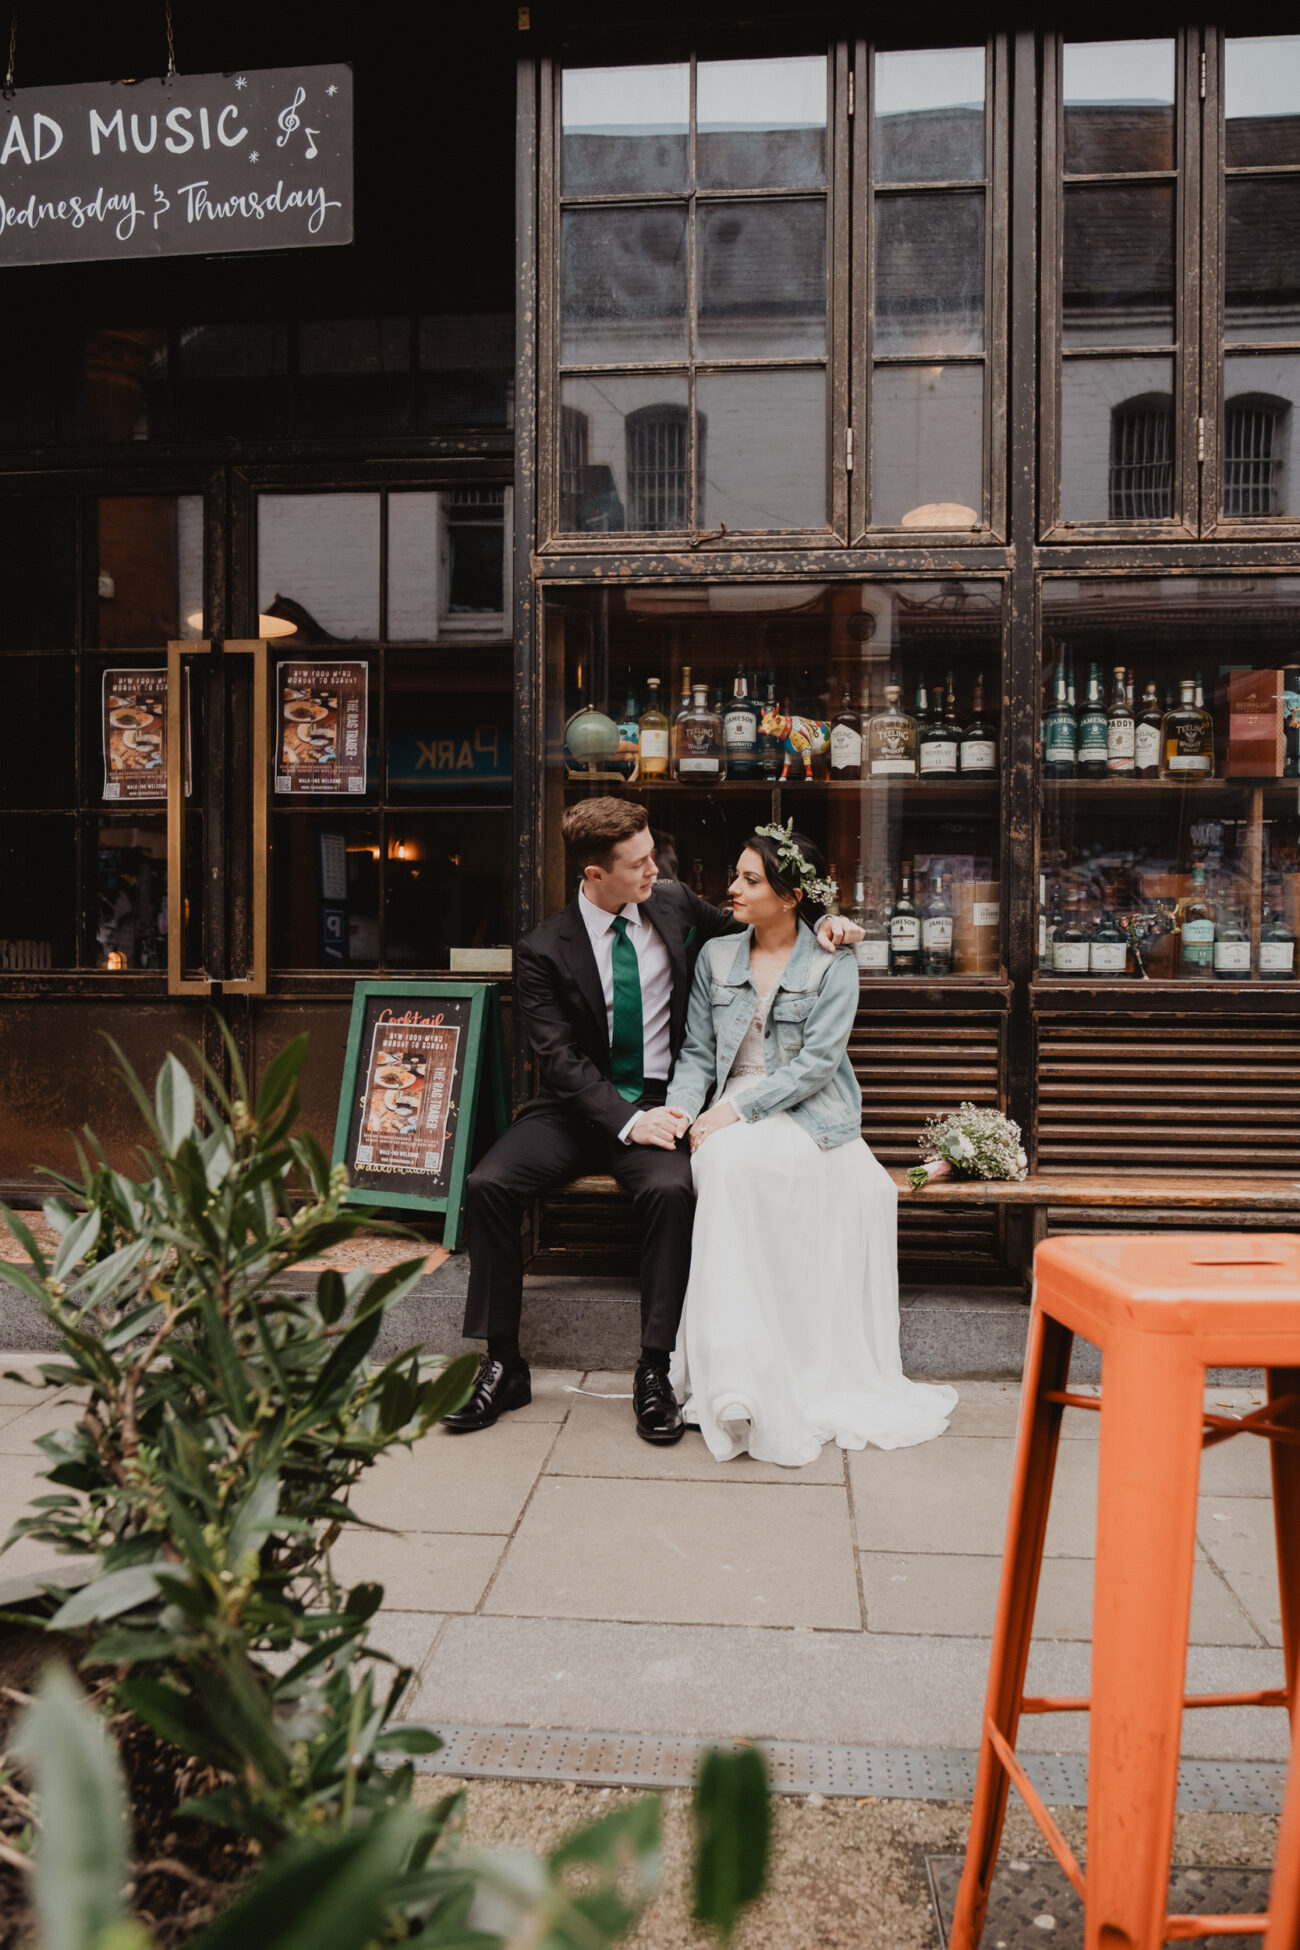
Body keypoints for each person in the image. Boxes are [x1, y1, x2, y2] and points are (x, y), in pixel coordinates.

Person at [446, 798, 863, 1443]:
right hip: (573, 1111)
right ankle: (503, 1360)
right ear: (593, 873)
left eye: (651, 857)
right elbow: (556, 1059)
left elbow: (766, 921)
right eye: (638, 864)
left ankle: (654, 1368)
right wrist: (623, 1121)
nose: (653, 872)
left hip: (664, 1104)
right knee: (489, 1185)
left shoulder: (670, 904)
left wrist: (831, 920)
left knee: (672, 1190)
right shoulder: (541, 949)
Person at [665, 825, 958, 1467]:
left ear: (791, 894)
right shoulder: (715, 957)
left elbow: (819, 1065)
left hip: (807, 1111)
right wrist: (687, 1110)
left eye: (749, 880)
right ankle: (735, 1378)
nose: (731, 890)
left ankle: (779, 1370)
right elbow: (694, 1053)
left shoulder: (832, 960)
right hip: (726, 1109)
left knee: (770, 1171)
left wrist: (737, 1110)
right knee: (727, 1167)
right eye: (735, 876)